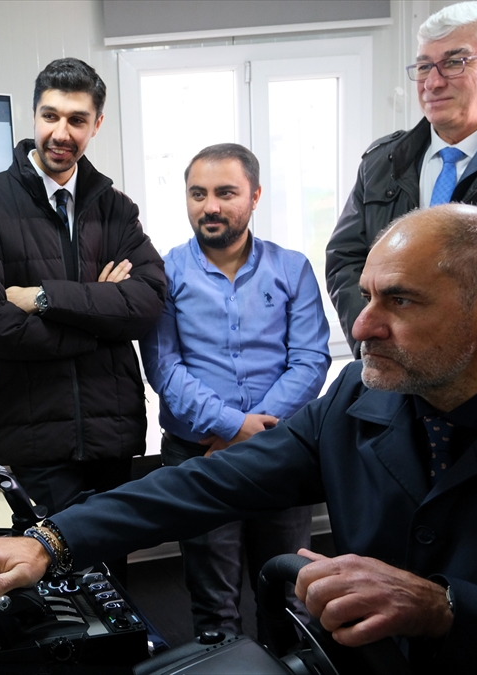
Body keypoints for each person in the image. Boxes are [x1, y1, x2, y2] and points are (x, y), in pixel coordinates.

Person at [0, 204, 477, 675]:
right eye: (367, 296)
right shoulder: (359, 396)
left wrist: (446, 611)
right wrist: (53, 540)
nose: (362, 326)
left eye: (400, 300)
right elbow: (208, 483)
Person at [0, 57, 166, 520]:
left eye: (77, 120)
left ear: (97, 124)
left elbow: (147, 301)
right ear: (34, 115)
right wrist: (98, 325)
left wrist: (43, 298)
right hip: (30, 438)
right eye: (50, 116)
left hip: (111, 433)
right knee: (53, 564)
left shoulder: (116, 209)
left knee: (112, 561)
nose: (61, 133)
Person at [142, 143, 330, 638]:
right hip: (197, 455)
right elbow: (163, 367)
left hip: (282, 452)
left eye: (226, 193)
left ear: (255, 196)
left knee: (290, 596)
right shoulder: (163, 274)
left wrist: (253, 432)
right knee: (213, 605)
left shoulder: (292, 267)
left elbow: (310, 360)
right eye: (198, 194)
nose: (210, 206)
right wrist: (233, 426)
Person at [326, 0, 477, 354]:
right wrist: (379, 339)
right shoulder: (382, 161)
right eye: (424, 66)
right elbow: (345, 260)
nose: (432, 82)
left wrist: (471, 355)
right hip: (397, 362)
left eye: (454, 63)